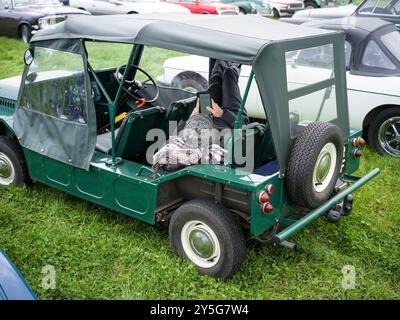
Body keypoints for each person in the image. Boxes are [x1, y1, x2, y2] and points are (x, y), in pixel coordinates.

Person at [189, 59, 249, 130]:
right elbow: (243, 126)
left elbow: (178, 133)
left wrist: (191, 119)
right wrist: (223, 114)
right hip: (232, 120)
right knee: (229, 73)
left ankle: (222, 53)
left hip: (205, 120)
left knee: (216, 78)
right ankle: (236, 57)